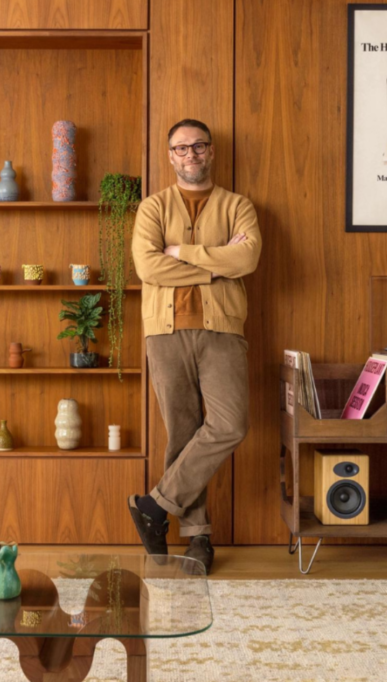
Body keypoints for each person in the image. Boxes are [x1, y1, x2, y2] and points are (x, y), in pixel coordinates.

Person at [128, 118, 261, 574]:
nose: (190, 155)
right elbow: (148, 267)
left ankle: (154, 505)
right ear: (170, 156)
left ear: (211, 152)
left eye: (198, 146)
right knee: (182, 433)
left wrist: (181, 254)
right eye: (181, 149)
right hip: (164, 333)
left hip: (222, 329)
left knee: (230, 424)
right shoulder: (153, 207)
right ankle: (197, 535)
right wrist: (215, 265)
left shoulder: (237, 205)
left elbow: (247, 257)